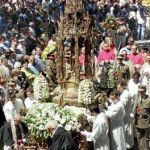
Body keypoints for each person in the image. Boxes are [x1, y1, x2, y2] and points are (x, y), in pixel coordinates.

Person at [117, 80, 134, 149]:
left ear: (123, 86)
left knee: (126, 132)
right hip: (126, 115)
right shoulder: (124, 93)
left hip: (125, 116)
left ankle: (128, 146)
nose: (118, 89)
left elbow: (122, 106)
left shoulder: (125, 95)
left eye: (119, 87)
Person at [135, 85, 150, 150]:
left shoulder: (149, 100)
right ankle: (140, 148)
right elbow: (135, 109)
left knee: (146, 138)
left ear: (145, 91)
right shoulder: (137, 99)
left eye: (142, 91)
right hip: (138, 122)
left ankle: (146, 149)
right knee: (139, 137)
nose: (140, 93)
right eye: (139, 92)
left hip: (146, 122)